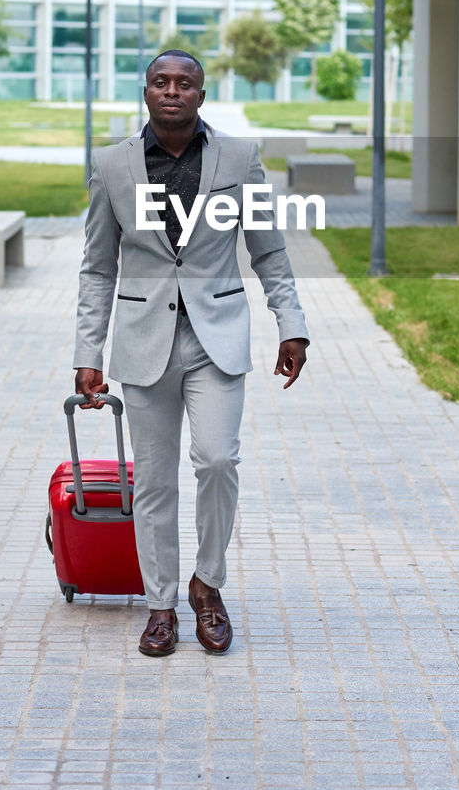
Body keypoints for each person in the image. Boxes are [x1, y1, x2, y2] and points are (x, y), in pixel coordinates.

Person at [73, 50, 309, 656]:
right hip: (143, 338)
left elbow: (269, 250)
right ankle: (160, 605)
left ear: (202, 95)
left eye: (185, 83)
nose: (172, 91)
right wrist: (87, 351)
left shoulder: (238, 158)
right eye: (161, 82)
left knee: (217, 462)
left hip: (217, 337)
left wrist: (292, 324)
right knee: (153, 482)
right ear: (145, 93)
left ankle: (207, 586)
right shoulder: (111, 165)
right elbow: (98, 268)